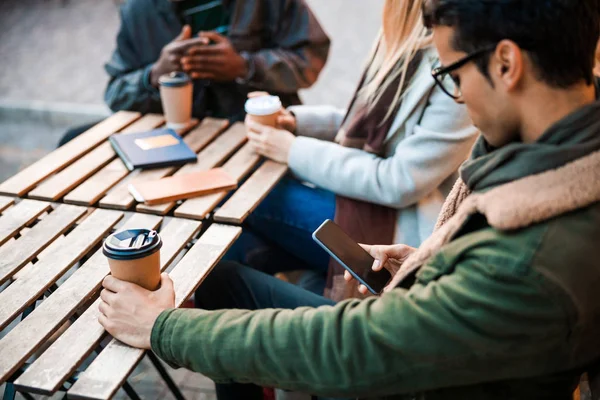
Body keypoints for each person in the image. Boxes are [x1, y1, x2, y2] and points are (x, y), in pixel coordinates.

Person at [98, 0, 600, 399]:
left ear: (507, 62)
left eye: (453, 75)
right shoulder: (551, 155)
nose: (459, 96)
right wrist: (422, 261)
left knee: (235, 245)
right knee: (232, 261)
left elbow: (349, 347)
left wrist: (161, 327)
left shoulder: (530, 262)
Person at [226, 0, 477, 298]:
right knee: (235, 244)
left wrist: (292, 150)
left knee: (246, 196)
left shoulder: (455, 63)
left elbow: (399, 181)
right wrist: (296, 121)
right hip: (362, 202)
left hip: (396, 226)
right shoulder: (399, 40)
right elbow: (365, 121)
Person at [58, 0, 330, 146]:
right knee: (72, 141)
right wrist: (154, 75)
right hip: (174, 137)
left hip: (253, 135)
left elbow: (311, 58)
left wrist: (245, 66)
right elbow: (116, 94)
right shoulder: (139, 10)